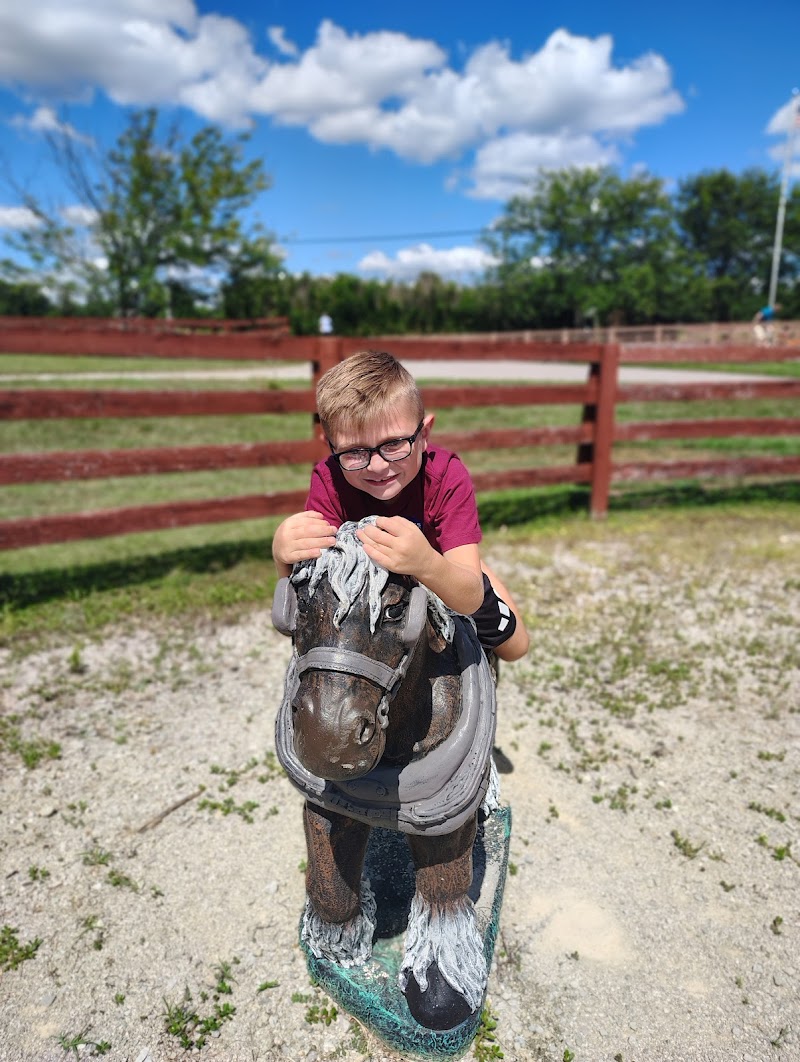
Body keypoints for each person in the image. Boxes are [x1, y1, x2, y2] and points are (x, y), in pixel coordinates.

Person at [272, 350, 530, 662]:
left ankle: (472, 563)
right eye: (355, 451)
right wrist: (282, 556)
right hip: (376, 591)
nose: (378, 466)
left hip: (441, 564)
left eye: (394, 444)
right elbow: (311, 601)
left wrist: (427, 563)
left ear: (424, 434)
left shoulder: (446, 475)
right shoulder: (329, 480)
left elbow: (470, 597)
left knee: (515, 647)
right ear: (331, 447)